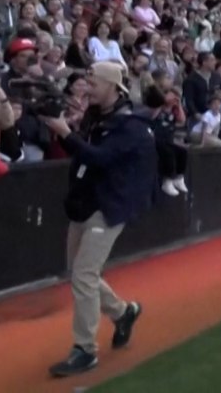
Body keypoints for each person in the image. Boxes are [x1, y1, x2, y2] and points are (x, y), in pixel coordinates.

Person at [42, 61, 158, 378]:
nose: (87, 87)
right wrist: (70, 131)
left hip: (109, 206)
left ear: (111, 86)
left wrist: (66, 133)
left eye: (93, 82)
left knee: (83, 274)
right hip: (85, 202)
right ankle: (123, 312)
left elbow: (99, 158)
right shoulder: (98, 116)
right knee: (79, 273)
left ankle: (85, 349)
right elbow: (86, 153)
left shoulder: (130, 126)